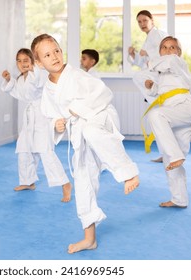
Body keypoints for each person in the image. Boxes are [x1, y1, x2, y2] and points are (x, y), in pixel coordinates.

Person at [31, 34, 139, 254]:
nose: (55, 56)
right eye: (47, 55)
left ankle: (128, 172)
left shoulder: (77, 76)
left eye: (57, 51)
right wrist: (57, 124)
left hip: (101, 117)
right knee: (82, 179)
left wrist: (78, 110)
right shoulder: (48, 90)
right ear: (39, 63)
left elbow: (104, 94)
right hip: (81, 130)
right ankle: (89, 238)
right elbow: (50, 114)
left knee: (91, 130)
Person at [133, 36, 191, 208]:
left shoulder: (178, 62)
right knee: (171, 161)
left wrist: (151, 63)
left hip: (184, 108)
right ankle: (179, 199)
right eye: (164, 47)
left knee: (156, 115)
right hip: (173, 115)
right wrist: (151, 85)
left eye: (173, 47)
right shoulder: (162, 73)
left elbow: (166, 62)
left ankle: (175, 155)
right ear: (160, 50)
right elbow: (159, 90)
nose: (169, 50)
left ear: (179, 51)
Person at [1, 48, 72, 202]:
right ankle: (28, 181)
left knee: (45, 150)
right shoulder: (21, 79)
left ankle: (65, 184)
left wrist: (33, 70)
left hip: (42, 115)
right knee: (24, 149)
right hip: (29, 118)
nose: (22, 64)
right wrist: (9, 80)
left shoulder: (39, 74)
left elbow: (38, 82)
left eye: (26, 60)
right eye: (19, 61)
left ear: (33, 61)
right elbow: (16, 91)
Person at [128, 10, 167, 163]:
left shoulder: (158, 34)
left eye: (145, 20)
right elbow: (142, 63)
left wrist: (148, 51)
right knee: (156, 121)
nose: (142, 24)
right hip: (151, 79)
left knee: (161, 120)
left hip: (159, 79)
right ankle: (165, 154)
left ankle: (169, 153)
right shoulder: (148, 39)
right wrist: (134, 55)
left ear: (152, 20)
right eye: (139, 22)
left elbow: (166, 54)